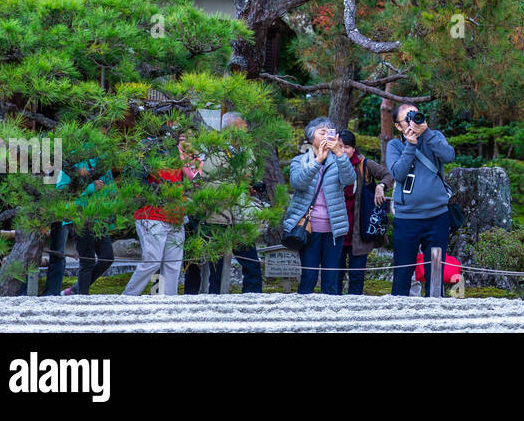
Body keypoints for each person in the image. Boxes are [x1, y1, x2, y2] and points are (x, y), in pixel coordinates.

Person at [184, 113, 265, 295]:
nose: (244, 131)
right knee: (217, 271)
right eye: (240, 127)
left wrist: (252, 185)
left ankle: (253, 303)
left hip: (241, 217)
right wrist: (237, 183)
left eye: (245, 127)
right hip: (217, 217)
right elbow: (208, 182)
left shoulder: (248, 151)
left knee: (252, 265)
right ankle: (215, 305)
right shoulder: (215, 152)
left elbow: (252, 177)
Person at [385, 103, 455, 297]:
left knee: (435, 272)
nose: (412, 120)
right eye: (407, 118)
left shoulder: (435, 137)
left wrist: (427, 133)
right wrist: (410, 144)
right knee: (403, 272)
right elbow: (398, 173)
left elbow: (449, 156)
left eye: (415, 115)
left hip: (437, 215)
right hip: (407, 218)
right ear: (398, 126)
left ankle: (435, 314)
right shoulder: (395, 145)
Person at [283, 117, 356, 295]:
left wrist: (339, 154)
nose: (325, 135)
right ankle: (302, 318)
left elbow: (349, 180)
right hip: (308, 229)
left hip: (333, 229)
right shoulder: (299, 161)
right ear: (311, 136)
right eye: (321, 132)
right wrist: (317, 161)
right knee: (309, 277)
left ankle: (331, 320)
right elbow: (298, 183)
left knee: (331, 281)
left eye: (329, 132)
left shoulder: (339, 160)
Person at [122, 133, 201, 296]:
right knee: (152, 260)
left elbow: (194, 180)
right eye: (184, 138)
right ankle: (128, 297)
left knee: (173, 264)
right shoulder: (151, 150)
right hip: (152, 213)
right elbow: (137, 181)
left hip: (176, 215)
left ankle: (164, 302)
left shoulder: (183, 160)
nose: (189, 142)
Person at [48, 157, 116, 296]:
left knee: (107, 257)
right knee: (87, 261)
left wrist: (112, 217)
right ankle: (81, 297)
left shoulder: (103, 161)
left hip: (99, 217)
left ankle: (75, 290)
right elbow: (63, 191)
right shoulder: (73, 161)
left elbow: (111, 191)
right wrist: (90, 189)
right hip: (78, 216)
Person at [338, 130, 393, 296]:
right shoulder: (331, 164)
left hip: (359, 230)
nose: (343, 150)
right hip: (337, 230)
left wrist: (380, 186)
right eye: (340, 146)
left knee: (356, 276)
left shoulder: (364, 164)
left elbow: (388, 175)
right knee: (334, 275)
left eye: (347, 147)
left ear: (354, 148)